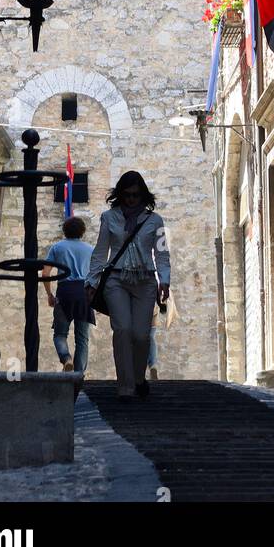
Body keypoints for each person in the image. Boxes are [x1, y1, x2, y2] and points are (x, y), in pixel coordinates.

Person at [85, 171, 170, 400]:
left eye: (135, 195)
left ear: (143, 195)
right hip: (116, 280)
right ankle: (126, 385)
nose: (131, 199)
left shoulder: (156, 221)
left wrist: (165, 280)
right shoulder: (108, 218)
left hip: (145, 281)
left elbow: (162, 253)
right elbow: (101, 251)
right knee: (122, 329)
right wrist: (92, 281)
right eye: (127, 195)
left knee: (141, 335)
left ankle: (138, 378)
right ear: (120, 195)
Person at [42, 216, 96, 378]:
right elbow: (97, 275)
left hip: (64, 292)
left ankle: (66, 358)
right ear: (83, 231)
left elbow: (45, 273)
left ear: (64, 231)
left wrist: (50, 295)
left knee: (60, 334)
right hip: (85, 293)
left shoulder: (57, 247)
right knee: (82, 339)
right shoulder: (90, 249)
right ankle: (79, 375)